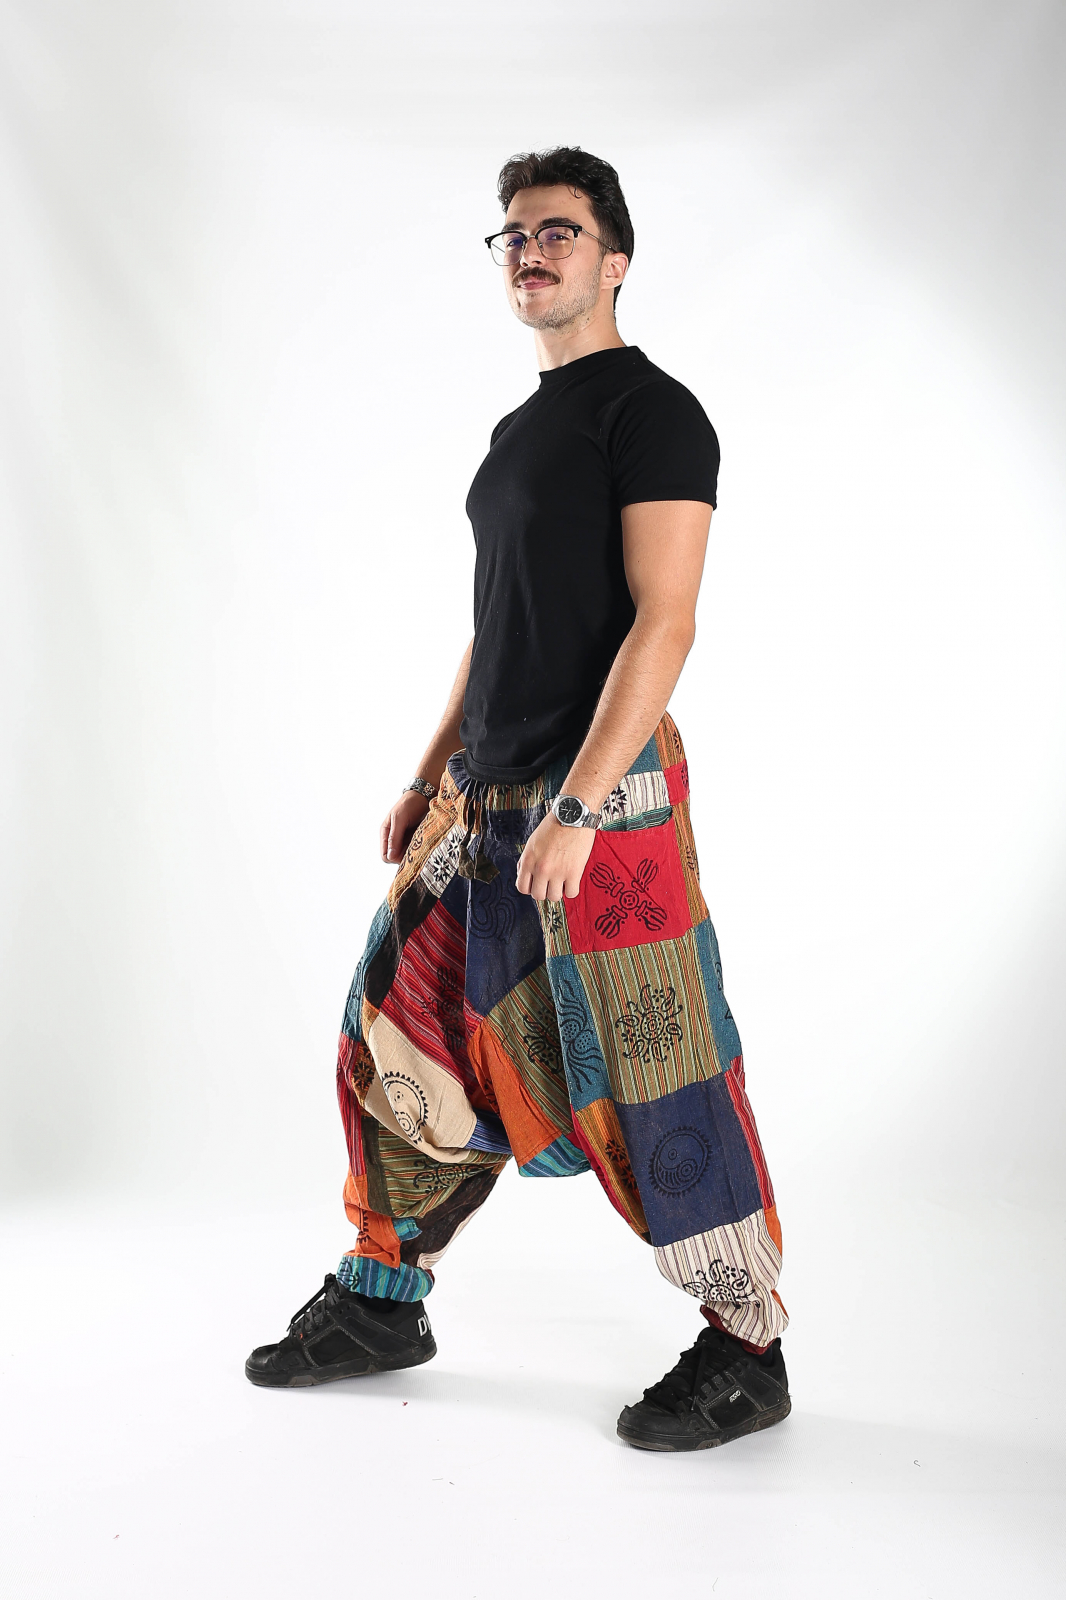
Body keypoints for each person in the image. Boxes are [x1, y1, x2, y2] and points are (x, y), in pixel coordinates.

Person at [246, 146, 790, 1452]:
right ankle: (382, 1300)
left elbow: (664, 621)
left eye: (559, 231)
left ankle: (747, 1347)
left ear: (616, 260)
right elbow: (498, 624)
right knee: (397, 1030)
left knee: (653, 1073)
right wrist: (429, 767)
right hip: (482, 800)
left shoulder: (653, 414)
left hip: (604, 802)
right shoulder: (518, 436)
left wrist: (580, 809)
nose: (531, 251)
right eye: (514, 235)